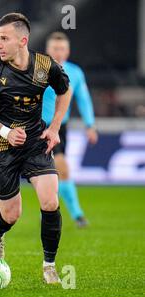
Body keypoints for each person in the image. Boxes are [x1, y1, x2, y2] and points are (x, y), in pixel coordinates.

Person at [0, 13, 72, 284]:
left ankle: (49, 266)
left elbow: (65, 90)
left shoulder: (44, 65)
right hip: (1, 145)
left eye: (4, 39)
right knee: (11, 214)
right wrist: (5, 131)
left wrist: (54, 128)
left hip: (35, 140)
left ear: (22, 40)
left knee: (50, 201)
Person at [43, 32, 98, 228]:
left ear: (68, 51)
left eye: (62, 49)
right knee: (61, 168)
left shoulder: (75, 72)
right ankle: (77, 214)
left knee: (58, 171)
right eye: (55, 48)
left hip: (59, 128)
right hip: (38, 127)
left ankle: (65, 213)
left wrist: (90, 124)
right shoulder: (37, 69)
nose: (59, 52)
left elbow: (83, 99)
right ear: (48, 50)